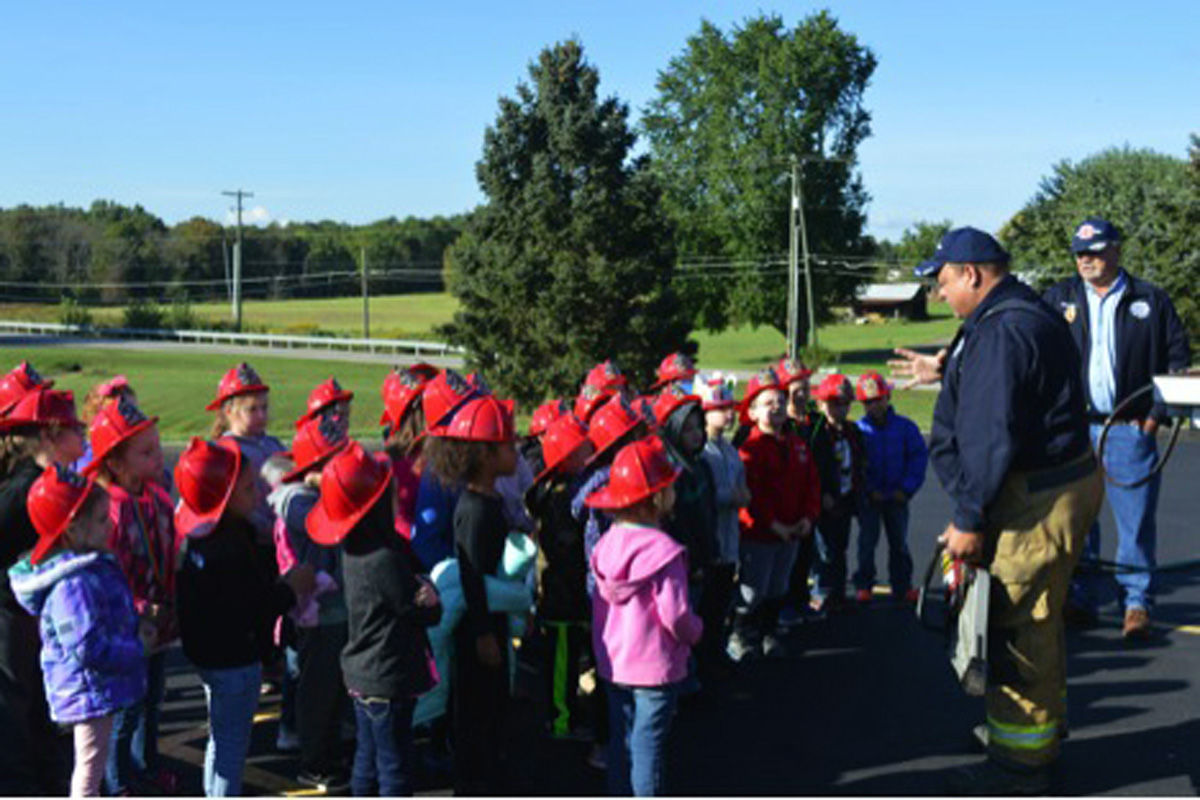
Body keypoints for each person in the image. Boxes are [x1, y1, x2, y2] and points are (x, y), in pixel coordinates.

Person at [895, 226, 1104, 793]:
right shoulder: (1013, 316)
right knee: (1038, 616)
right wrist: (947, 372)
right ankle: (1037, 732)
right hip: (1054, 487)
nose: (940, 294)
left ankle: (1021, 762)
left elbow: (991, 436)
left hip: (1035, 500)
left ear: (972, 273)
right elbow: (1013, 389)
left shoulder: (1003, 331)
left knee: (1016, 627)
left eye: (943, 282)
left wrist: (968, 518)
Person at [1043, 217, 1192, 638]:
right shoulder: (1058, 299)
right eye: (1079, 254)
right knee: (1078, 520)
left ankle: (1136, 603)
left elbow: (1177, 359)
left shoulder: (1150, 299)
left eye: (1094, 252)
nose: (1085, 260)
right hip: (1074, 429)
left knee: (1135, 522)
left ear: (1115, 250)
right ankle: (1082, 597)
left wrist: (1156, 415)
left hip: (1130, 428)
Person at [175, 437, 313, 797]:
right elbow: (254, 608)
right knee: (231, 746)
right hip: (234, 659)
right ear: (224, 497)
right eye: (250, 488)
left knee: (221, 739)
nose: (259, 494)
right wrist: (291, 588)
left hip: (210, 655)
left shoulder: (201, 538)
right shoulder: (232, 547)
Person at [308, 441, 441, 797]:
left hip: (362, 672)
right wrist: (432, 601)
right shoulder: (385, 557)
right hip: (388, 675)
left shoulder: (354, 548)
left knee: (367, 759)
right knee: (395, 765)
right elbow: (415, 609)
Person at [9, 465, 149, 797]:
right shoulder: (72, 585)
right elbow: (86, 647)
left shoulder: (85, 568)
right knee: (89, 769)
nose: (110, 525)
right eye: (101, 520)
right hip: (89, 692)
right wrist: (135, 648)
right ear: (72, 530)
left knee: (91, 764)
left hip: (93, 688)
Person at [587, 436, 702, 796]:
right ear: (657, 498)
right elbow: (676, 615)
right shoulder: (665, 552)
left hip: (615, 663)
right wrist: (696, 631)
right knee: (649, 747)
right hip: (655, 666)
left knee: (622, 741)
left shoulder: (604, 545)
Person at [83, 396, 180, 796]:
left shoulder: (157, 497)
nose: (157, 458)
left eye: (157, 448)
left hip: (159, 622)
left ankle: (145, 765)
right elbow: (109, 573)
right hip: (126, 626)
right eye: (146, 452)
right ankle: (117, 780)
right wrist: (140, 607)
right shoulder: (112, 510)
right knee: (125, 709)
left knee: (152, 700)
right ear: (116, 464)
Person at [422, 394, 519, 794]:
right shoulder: (476, 510)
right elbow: (472, 576)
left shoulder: (490, 500)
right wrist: (483, 633)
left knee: (492, 709)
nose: (516, 451)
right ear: (485, 455)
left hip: (490, 619)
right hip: (479, 626)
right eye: (508, 445)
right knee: (477, 712)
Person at [0, 388, 85, 795]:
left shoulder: (52, 480)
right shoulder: (26, 488)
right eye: (74, 426)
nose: (83, 431)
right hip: (12, 612)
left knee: (38, 699)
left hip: (35, 612)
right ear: (50, 435)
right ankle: (17, 783)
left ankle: (42, 776)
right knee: (16, 703)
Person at [268, 415, 353, 791]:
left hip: (334, 607)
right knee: (317, 688)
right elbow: (324, 525)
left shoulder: (314, 496)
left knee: (332, 687)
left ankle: (328, 750)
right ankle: (314, 760)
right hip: (316, 612)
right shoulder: (298, 501)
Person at [729, 369, 820, 661]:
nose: (777, 407)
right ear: (752, 412)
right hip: (759, 534)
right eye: (768, 403)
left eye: (781, 400)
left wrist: (808, 517)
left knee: (778, 585)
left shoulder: (797, 445)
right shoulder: (750, 450)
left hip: (791, 532)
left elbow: (811, 484)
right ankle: (740, 634)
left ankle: (767, 631)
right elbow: (753, 495)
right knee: (752, 589)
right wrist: (773, 524)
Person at [524, 413, 595, 741]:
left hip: (562, 593)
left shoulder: (557, 489)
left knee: (563, 659)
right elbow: (568, 548)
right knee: (561, 663)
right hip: (562, 597)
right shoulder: (561, 497)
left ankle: (564, 712)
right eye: (583, 448)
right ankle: (561, 720)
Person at [852, 370, 927, 604]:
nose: (874, 406)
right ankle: (864, 584)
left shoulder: (906, 428)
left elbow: (917, 459)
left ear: (888, 398)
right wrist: (868, 490)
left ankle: (902, 585)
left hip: (897, 496)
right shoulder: (858, 431)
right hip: (870, 498)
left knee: (899, 543)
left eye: (878, 400)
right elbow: (855, 465)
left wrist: (906, 489)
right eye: (868, 402)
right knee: (867, 542)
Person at [695, 373, 748, 674]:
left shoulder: (729, 450)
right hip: (711, 540)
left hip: (729, 540)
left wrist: (743, 494)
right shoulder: (703, 453)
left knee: (722, 602)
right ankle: (704, 661)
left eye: (730, 408)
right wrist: (732, 496)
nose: (729, 414)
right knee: (708, 604)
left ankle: (717, 651)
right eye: (721, 408)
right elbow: (706, 495)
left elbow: (740, 481)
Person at [807, 374, 865, 612]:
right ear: (822, 404)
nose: (840, 409)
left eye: (844, 403)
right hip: (825, 500)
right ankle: (821, 591)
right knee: (823, 549)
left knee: (840, 547)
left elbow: (860, 461)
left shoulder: (853, 431)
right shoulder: (817, 431)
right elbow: (813, 466)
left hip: (846, 497)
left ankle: (838, 592)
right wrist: (822, 493)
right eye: (834, 403)